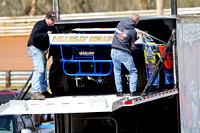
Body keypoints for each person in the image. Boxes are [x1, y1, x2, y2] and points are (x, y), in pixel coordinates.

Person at [27, 11, 58, 100]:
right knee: (39, 69)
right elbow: (35, 36)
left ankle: (42, 90)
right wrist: (46, 35)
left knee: (43, 70)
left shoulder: (52, 27)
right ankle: (35, 91)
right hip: (34, 48)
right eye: (51, 20)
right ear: (46, 18)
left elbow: (56, 36)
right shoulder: (40, 24)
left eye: (54, 20)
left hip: (40, 50)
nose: (53, 22)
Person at [111, 13, 140, 97]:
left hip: (113, 51)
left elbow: (120, 35)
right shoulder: (133, 31)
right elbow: (132, 45)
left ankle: (119, 92)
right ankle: (133, 91)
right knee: (133, 71)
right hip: (123, 52)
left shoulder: (120, 23)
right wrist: (132, 47)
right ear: (136, 21)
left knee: (117, 71)